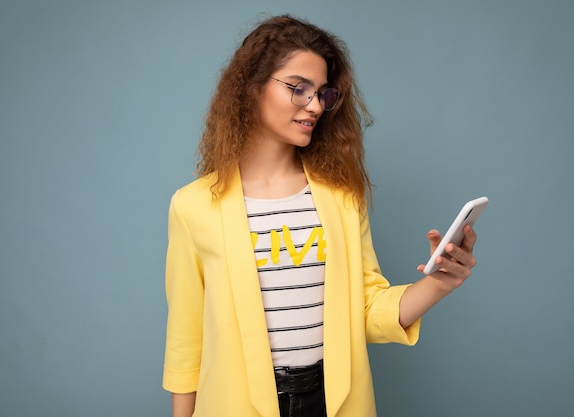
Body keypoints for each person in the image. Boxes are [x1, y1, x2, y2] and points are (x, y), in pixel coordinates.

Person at [162, 15, 478, 417]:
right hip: (234, 404)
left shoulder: (342, 197)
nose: (314, 106)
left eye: (322, 94)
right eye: (298, 89)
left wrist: (439, 282)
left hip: (333, 401)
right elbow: (186, 339)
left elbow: (365, 310)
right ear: (251, 87)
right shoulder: (193, 205)